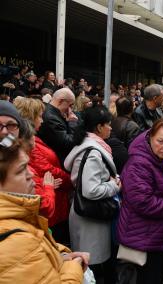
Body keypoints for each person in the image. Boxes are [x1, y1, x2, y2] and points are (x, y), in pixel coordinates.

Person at [0, 136, 89, 283]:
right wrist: (73, 266)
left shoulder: (18, 219)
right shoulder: (16, 241)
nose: (31, 174)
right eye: (21, 169)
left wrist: (60, 256)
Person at [116, 118, 163, 283]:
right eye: (160, 141)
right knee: (149, 277)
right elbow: (144, 203)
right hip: (142, 234)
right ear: (150, 136)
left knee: (160, 271)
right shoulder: (138, 164)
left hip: (160, 232)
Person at [64, 106, 121, 283]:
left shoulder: (86, 145)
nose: (111, 128)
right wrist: (114, 185)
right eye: (108, 125)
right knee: (92, 266)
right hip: (91, 217)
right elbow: (91, 190)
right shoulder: (94, 152)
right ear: (98, 127)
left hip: (87, 215)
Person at [14, 98, 73, 243]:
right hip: (50, 208)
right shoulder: (27, 143)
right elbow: (47, 171)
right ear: (29, 116)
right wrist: (66, 181)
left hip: (55, 202)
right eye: (39, 116)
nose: (42, 120)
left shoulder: (32, 139)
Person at [38, 87, 78, 163]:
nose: (70, 110)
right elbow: (69, 144)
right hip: (57, 161)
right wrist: (72, 123)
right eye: (70, 105)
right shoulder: (51, 118)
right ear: (61, 101)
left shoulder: (51, 112)